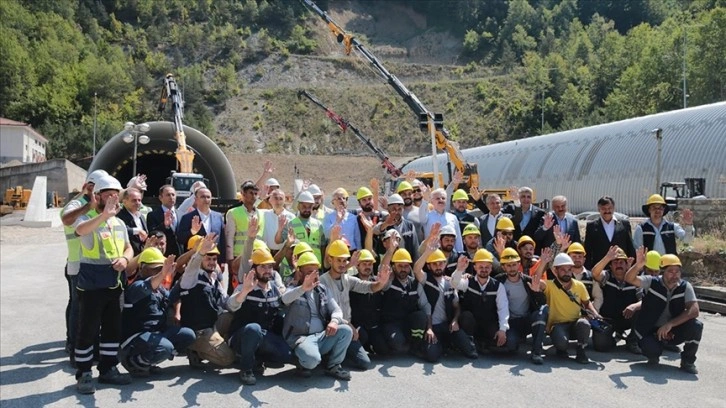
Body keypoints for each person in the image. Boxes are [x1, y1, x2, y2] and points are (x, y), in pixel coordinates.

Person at [73, 175, 133, 394]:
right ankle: (84, 373)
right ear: (97, 196)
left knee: (112, 330)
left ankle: (108, 369)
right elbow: (80, 231)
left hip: (114, 286)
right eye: (107, 195)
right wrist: (104, 216)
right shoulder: (86, 218)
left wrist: (125, 259)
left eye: (115, 196)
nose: (111, 199)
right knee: (87, 331)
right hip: (91, 286)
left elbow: (128, 247)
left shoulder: (119, 223)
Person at [118, 248, 196, 377]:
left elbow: (173, 297)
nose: (159, 272)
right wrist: (163, 274)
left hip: (156, 333)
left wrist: (184, 276)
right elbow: (147, 286)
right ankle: (134, 362)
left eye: (161, 268)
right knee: (165, 348)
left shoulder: (160, 288)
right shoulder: (136, 286)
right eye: (155, 268)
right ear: (142, 268)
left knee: (188, 335)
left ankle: (149, 361)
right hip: (137, 336)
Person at [625, 250, 703, 374]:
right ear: (662, 272)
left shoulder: (685, 286)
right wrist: (638, 265)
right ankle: (654, 352)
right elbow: (629, 278)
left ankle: (688, 361)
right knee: (651, 349)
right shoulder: (652, 282)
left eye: (677, 271)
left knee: (696, 326)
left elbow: (694, 310)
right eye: (670, 271)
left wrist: (671, 324)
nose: (675, 275)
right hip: (651, 329)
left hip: (673, 329)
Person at [281, 252, 353, 380]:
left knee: (346, 330)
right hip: (301, 338)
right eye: (309, 272)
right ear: (300, 273)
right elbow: (285, 299)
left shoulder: (322, 289)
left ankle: (333, 366)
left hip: (321, 335)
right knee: (312, 360)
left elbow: (336, 309)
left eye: (316, 272)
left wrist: (334, 321)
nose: (314, 275)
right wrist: (302, 288)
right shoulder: (293, 286)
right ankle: (301, 360)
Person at [319, 242, 390, 370]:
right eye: (338, 260)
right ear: (330, 260)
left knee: (365, 363)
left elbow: (368, 287)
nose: (342, 264)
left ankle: (340, 353)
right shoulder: (323, 281)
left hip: (346, 329)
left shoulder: (347, 279)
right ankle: (330, 358)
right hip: (330, 329)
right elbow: (329, 313)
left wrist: (381, 282)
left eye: (344, 260)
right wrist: (349, 326)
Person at [60, 169, 107, 363]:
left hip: (91, 264)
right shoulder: (79, 204)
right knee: (78, 308)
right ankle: (74, 345)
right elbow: (66, 218)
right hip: (77, 263)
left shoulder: (99, 207)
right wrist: (87, 205)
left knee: (82, 307)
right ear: (89, 187)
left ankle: (82, 343)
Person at [227, 249, 293, 385]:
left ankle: (257, 359)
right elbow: (231, 305)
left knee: (285, 355)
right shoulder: (244, 287)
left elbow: (284, 303)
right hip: (242, 337)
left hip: (263, 336)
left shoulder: (274, 289)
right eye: (263, 267)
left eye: (270, 267)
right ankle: (246, 369)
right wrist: (244, 291)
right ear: (254, 269)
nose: (267, 270)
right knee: (253, 328)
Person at [174, 234, 235, 368]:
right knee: (228, 359)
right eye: (208, 258)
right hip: (199, 331)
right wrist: (200, 252)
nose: (212, 262)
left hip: (212, 324)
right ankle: (196, 350)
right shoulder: (190, 277)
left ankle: (217, 344)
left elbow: (227, 302)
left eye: (214, 259)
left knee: (232, 316)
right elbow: (192, 266)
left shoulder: (213, 279)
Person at [531, 250, 602, 364]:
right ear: (555, 270)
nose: (567, 273)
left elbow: (587, 303)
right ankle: (561, 349)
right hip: (557, 326)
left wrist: (595, 314)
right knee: (561, 344)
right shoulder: (549, 285)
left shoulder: (579, 285)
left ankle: (581, 350)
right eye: (563, 270)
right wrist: (543, 263)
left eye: (569, 269)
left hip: (575, 323)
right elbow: (535, 281)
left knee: (584, 324)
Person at [414, 236, 478, 362]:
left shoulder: (450, 282)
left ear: (445, 264)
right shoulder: (426, 279)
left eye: (441, 263)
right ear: (429, 265)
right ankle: (434, 346)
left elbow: (456, 306)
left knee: (471, 352)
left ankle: (448, 344)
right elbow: (416, 269)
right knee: (432, 357)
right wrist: (427, 252)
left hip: (447, 325)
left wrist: (455, 320)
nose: (438, 266)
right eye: (435, 264)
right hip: (432, 327)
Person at [451, 248, 510, 357]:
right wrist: (459, 270)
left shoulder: (498, 286)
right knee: (466, 316)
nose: (484, 270)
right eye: (481, 267)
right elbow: (454, 283)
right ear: (474, 267)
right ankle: (471, 344)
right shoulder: (467, 282)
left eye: (487, 267)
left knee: (508, 345)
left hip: (489, 323)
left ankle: (483, 344)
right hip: (471, 323)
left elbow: (503, 308)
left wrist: (502, 329)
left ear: (491, 268)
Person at [493, 248, 549, 364]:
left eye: (514, 265)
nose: (512, 268)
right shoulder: (498, 282)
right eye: (508, 266)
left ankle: (536, 352)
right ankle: (517, 339)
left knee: (542, 312)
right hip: (511, 323)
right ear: (503, 267)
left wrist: (536, 292)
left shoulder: (527, 281)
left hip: (527, 320)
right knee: (511, 346)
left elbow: (542, 303)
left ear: (519, 265)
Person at [591, 246, 641, 353]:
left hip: (627, 318)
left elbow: (645, 300)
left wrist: (634, 306)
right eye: (615, 262)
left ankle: (632, 341)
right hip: (607, 320)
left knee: (641, 309)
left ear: (626, 264)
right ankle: (613, 339)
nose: (619, 265)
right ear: (611, 265)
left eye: (621, 262)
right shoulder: (607, 276)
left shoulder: (634, 279)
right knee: (601, 346)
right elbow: (595, 273)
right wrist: (607, 257)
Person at [177, 187, 227, 266]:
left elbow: (222, 240)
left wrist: (223, 262)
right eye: (203, 197)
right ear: (196, 200)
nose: (206, 199)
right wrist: (192, 231)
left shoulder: (218, 216)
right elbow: (180, 239)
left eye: (208, 197)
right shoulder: (187, 218)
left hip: (213, 262)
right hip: (194, 262)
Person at [584, 196, 635, 269]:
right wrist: (588, 270)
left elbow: (630, 247)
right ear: (599, 209)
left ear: (614, 208)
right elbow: (588, 251)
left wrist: (631, 267)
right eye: (604, 209)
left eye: (609, 208)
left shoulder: (624, 225)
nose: (607, 211)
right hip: (600, 270)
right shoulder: (591, 226)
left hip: (620, 269)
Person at [226, 180, 265, 267]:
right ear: (243, 194)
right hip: (239, 256)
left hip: (256, 256)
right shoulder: (233, 212)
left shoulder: (261, 214)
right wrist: (230, 259)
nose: (254, 196)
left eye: (255, 193)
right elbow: (229, 238)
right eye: (251, 193)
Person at [373, 194, 420, 261]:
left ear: (403, 209)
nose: (397, 212)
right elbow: (375, 231)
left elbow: (415, 249)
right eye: (394, 209)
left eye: (399, 209)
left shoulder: (410, 225)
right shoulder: (384, 223)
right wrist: (386, 224)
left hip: (406, 264)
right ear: (388, 209)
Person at [282, 191, 325, 264]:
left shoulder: (318, 225)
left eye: (309, 207)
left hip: (316, 265)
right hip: (298, 266)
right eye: (304, 206)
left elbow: (323, 247)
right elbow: (286, 248)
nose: (307, 210)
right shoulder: (290, 224)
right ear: (298, 206)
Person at [419, 188, 463, 253]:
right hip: (432, 254)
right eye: (437, 198)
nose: (441, 200)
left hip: (450, 254)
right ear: (431, 201)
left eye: (443, 198)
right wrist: (425, 200)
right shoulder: (427, 216)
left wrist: (460, 253)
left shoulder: (453, 217)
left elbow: (458, 239)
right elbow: (422, 219)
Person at [567, 243, 603, 311]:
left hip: (587, 317)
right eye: (574, 256)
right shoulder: (564, 276)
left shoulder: (591, 277)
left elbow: (598, 297)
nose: (577, 259)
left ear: (584, 259)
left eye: (580, 256)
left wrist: (592, 312)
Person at [146, 184, 181, 257]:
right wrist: (164, 225)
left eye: (173, 195)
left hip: (180, 254)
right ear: (160, 198)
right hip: (162, 254)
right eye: (168, 195)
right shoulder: (153, 215)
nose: (171, 197)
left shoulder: (182, 214)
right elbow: (152, 234)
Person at [261, 189, 295, 253]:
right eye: (276, 198)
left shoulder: (292, 217)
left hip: (284, 253)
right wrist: (260, 198)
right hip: (266, 253)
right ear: (270, 200)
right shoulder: (264, 214)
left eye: (281, 199)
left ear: (284, 200)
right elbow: (251, 211)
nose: (278, 202)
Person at [117, 187, 148, 256]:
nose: (138, 203)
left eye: (139, 200)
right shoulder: (119, 215)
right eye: (134, 200)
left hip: (141, 255)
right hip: (127, 256)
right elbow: (120, 230)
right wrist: (137, 231)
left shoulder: (141, 216)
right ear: (124, 202)